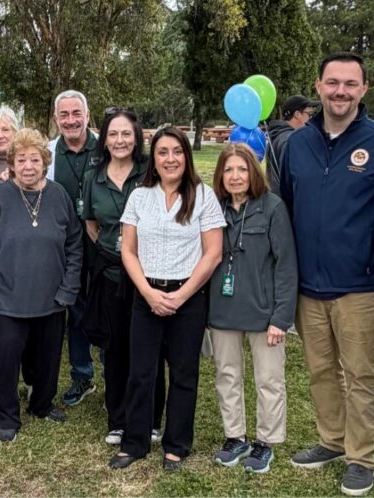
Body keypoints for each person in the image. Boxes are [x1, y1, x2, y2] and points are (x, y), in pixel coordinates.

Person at [279, 52, 374, 496]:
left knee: (360, 375)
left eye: (350, 84)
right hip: (306, 286)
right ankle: (331, 441)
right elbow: (284, 211)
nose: (340, 91)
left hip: (360, 285)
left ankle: (361, 456)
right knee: (320, 372)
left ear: (364, 90)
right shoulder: (295, 143)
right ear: (318, 86)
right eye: (333, 82)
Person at [109, 126, 225, 471]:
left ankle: (176, 445)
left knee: (184, 373)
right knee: (141, 372)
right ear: (153, 159)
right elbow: (128, 251)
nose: (170, 158)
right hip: (146, 295)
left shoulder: (203, 196)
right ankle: (135, 442)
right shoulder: (140, 196)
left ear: (186, 157)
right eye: (162, 152)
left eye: (176, 151)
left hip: (188, 297)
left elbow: (213, 253)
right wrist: (147, 292)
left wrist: (180, 296)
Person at [0, 128, 83, 443]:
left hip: (52, 296)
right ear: (13, 163)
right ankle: (7, 416)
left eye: (35, 159)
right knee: (6, 360)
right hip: (7, 297)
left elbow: (74, 245)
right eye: (22, 160)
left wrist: (68, 288)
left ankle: (42, 404)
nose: (29, 166)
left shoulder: (59, 195)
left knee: (48, 358)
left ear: (45, 162)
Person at [207, 143, 297, 474]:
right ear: (220, 175)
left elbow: (286, 265)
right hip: (222, 310)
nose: (235, 176)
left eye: (242, 169)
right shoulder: (212, 208)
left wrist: (281, 318)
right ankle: (236, 436)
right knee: (226, 375)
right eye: (228, 170)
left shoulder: (272, 207)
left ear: (253, 172)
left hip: (264, 313)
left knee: (269, 379)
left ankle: (266, 441)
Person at [81, 108, 166, 446]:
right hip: (112, 275)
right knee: (114, 350)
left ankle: (151, 419)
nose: (120, 140)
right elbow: (91, 224)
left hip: (150, 276)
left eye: (126, 134)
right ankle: (117, 419)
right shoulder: (94, 178)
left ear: (137, 138)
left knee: (149, 349)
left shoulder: (151, 172)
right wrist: (116, 250)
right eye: (113, 134)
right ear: (105, 140)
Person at [46, 90, 102, 406]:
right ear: (56, 119)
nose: (71, 120)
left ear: (86, 114)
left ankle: (114, 378)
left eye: (76, 113)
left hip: (105, 246)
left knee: (108, 312)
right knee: (76, 313)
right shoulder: (49, 152)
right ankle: (82, 377)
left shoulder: (106, 146)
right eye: (64, 115)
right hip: (67, 249)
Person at [265, 95, 318, 193]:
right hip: (287, 204)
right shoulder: (291, 139)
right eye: (310, 114)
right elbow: (296, 180)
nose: (312, 118)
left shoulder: (277, 134)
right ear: (297, 114)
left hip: (276, 201)